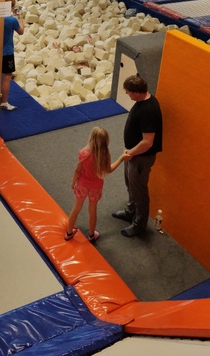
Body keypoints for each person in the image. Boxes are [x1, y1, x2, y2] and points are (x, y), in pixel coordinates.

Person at [112, 74, 163, 238]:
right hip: (133, 154)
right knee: (130, 185)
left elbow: (148, 142)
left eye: (128, 92)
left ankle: (139, 225)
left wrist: (131, 153)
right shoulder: (142, 102)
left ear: (136, 92)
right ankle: (130, 211)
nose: (127, 95)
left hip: (141, 157)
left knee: (139, 191)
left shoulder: (148, 110)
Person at [65, 127, 124, 242]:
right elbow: (109, 170)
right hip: (95, 188)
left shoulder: (84, 153)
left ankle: (69, 232)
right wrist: (121, 158)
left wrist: (73, 181)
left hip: (82, 185)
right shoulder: (105, 155)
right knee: (92, 211)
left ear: (91, 139)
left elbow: (77, 170)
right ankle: (91, 235)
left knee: (76, 208)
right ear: (106, 142)